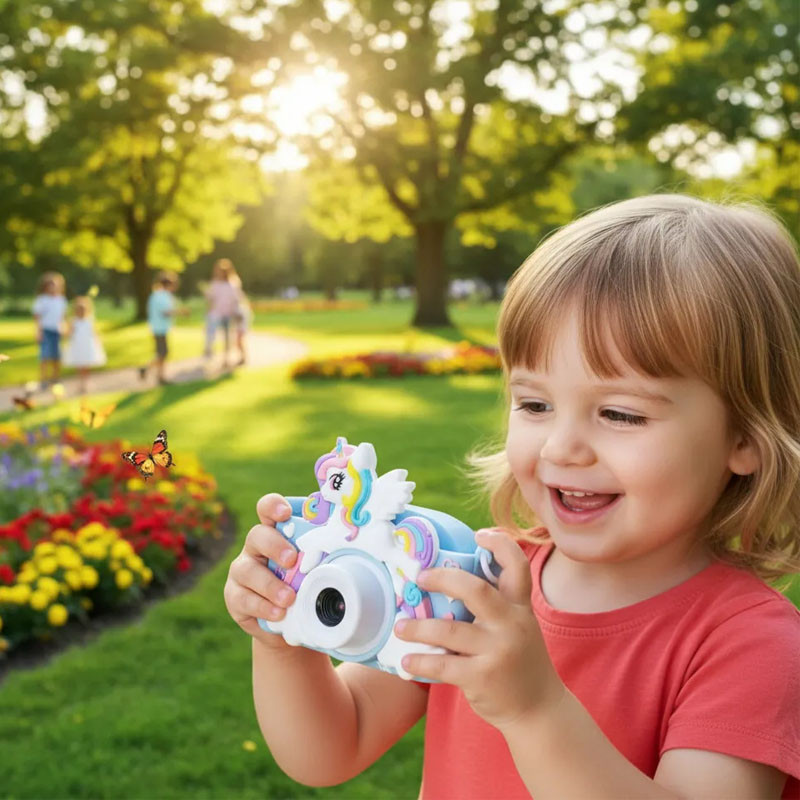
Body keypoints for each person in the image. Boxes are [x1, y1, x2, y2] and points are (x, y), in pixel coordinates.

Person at [223, 195, 800, 799]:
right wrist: (284, 638)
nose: (561, 447)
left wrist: (534, 710)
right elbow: (333, 747)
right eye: (534, 404)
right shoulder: (474, 583)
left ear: (746, 435)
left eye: (621, 414)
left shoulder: (752, 644)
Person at [140, 271, 182, 386]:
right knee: (162, 353)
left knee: (162, 353)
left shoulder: (156, 294)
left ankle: (156, 373)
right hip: (160, 328)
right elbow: (165, 312)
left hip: (157, 327)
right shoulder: (162, 296)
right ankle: (157, 374)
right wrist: (181, 312)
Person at [62, 295, 106, 394]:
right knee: (79, 364)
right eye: (79, 309)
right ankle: (80, 383)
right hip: (78, 345)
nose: (81, 312)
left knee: (87, 364)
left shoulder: (89, 320)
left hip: (87, 345)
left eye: (83, 309)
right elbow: (69, 333)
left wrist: (97, 341)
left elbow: (94, 332)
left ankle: (86, 382)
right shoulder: (73, 321)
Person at [32, 271, 68, 389]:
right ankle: (43, 379)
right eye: (51, 284)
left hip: (57, 331)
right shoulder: (42, 300)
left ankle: (55, 378)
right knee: (45, 356)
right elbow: (37, 317)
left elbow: (62, 317)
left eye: (56, 284)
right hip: (45, 330)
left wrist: (64, 328)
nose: (53, 287)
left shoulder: (61, 300)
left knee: (56, 356)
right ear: (46, 286)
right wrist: (38, 331)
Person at [204, 258, 240, 369]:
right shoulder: (215, 284)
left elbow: (236, 300)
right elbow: (210, 299)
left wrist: (236, 312)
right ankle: (209, 352)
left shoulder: (233, 284)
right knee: (211, 335)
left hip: (228, 314)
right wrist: (210, 311)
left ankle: (226, 359)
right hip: (216, 314)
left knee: (227, 337)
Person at [228, 264, 253, 366]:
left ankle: (243, 358)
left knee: (238, 339)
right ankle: (242, 357)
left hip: (241, 316)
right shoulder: (235, 291)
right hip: (239, 316)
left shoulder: (235, 290)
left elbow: (241, 304)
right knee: (237, 340)